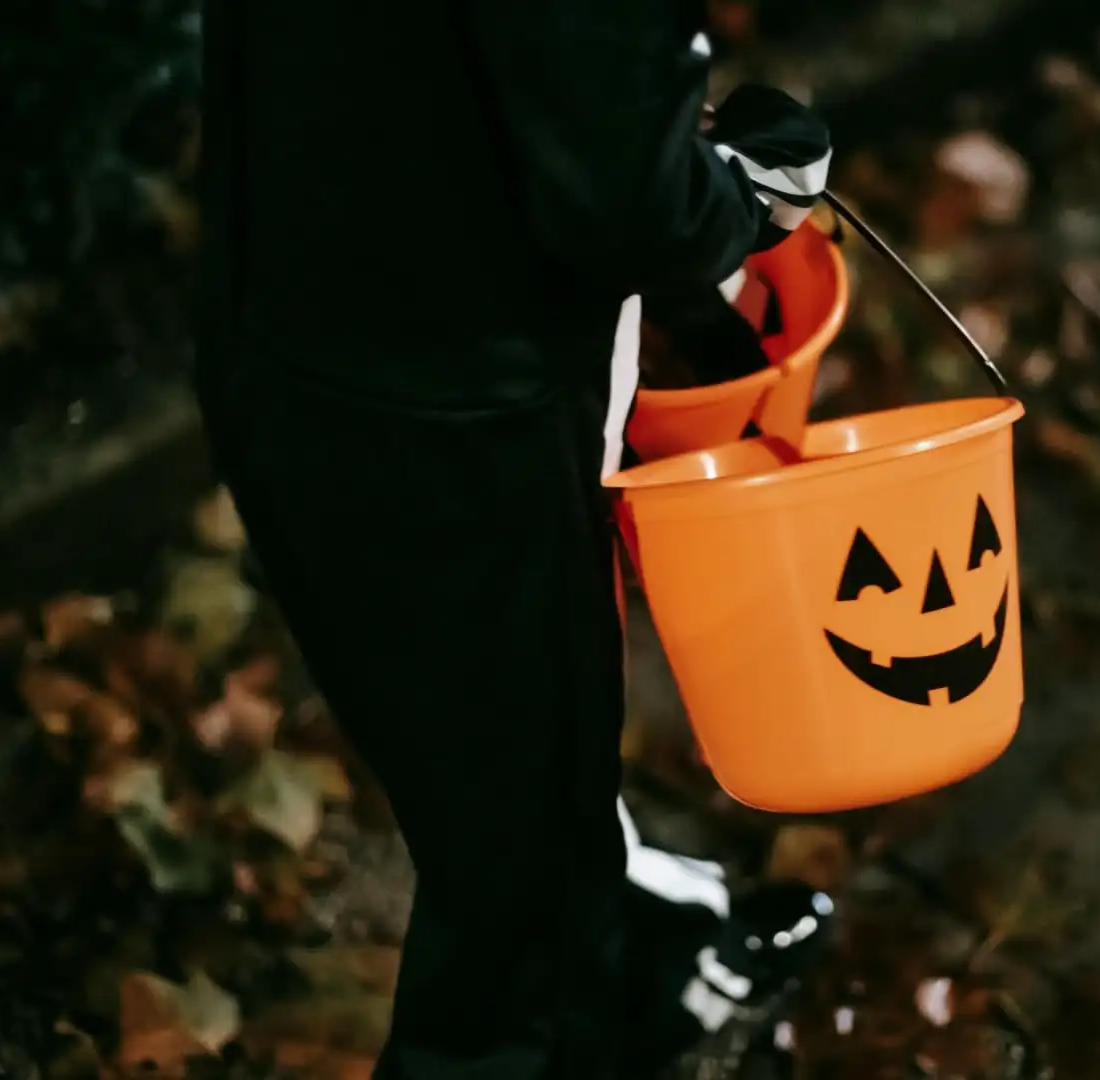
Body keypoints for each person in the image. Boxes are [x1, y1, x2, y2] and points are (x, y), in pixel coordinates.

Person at [194, 0, 836, 1077]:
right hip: (463, 420)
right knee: (515, 885)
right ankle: (555, 1017)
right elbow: (631, 203)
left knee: (487, 769)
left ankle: (605, 921)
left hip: (282, 311)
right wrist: (747, 188)